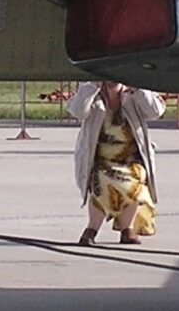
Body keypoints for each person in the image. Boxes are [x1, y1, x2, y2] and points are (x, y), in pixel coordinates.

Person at [69, 79, 165, 244]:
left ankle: (127, 229)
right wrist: (92, 87)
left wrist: (138, 89)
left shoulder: (133, 94)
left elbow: (155, 112)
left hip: (130, 159)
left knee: (136, 179)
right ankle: (91, 229)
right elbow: (78, 112)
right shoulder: (93, 95)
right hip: (101, 159)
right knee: (99, 180)